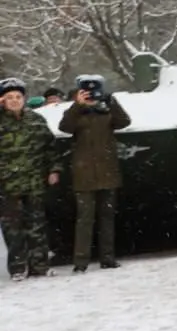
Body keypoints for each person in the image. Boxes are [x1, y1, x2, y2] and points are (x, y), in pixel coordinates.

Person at [58, 75, 132, 272]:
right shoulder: (75, 113)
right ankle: (80, 262)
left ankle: (107, 258)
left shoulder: (107, 111)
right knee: (85, 219)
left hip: (108, 172)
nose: (91, 96)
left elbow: (124, 121)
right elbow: (64, 127)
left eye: (94, 92)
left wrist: (111, 101)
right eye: (86, 92)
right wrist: (78, 105)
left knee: (107, 218)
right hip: (84, 175)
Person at [0, 78, 61, 280]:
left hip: (34, 182)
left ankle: (40, 266)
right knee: (13, 229)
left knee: (37, 226)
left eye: (18, 97)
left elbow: (50, 148)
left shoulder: (35, 120)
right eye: (9, 97)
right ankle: (18, 268)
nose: (14, 100)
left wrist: (54, 170)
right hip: (7, 185)